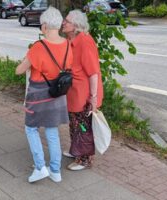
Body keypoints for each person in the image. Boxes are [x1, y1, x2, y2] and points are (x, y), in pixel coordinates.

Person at [16, 7, 73, 183]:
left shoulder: (39, 47)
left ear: (46, 26)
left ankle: (40, 167)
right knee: (52, 131)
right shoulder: (68, 44)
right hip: (58, 94)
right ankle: (55, 171)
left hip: (39, 94)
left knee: (31, 128)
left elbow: (19, 70)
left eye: (41, 25)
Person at [62, 10, 103, 171]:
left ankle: (85, 159)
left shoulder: (84, 41)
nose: (63, 23)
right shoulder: (70, 39)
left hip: (84, 93)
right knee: (74, 123)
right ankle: (76, 151)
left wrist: (93, 97)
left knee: (83, 127)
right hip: (73, 91)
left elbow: (93, 72)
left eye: (67, 21)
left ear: (76, 26)